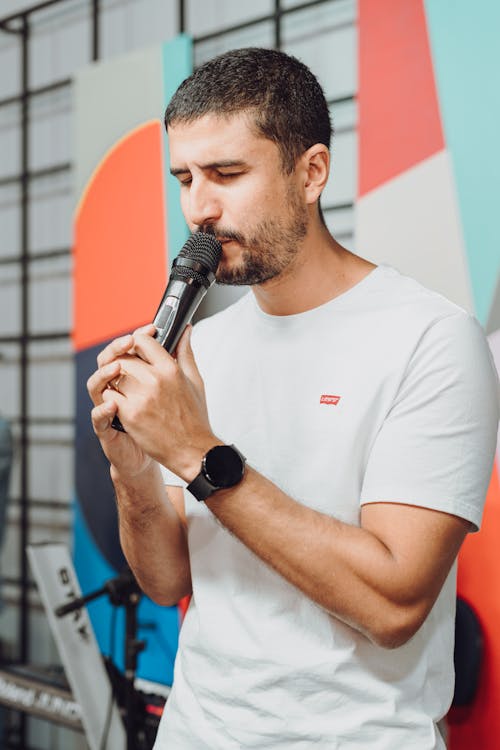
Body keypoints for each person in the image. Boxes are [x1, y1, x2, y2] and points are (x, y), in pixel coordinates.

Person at [87, 48, 499, 749]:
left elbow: (393, 603)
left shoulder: (431, 339)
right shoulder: (205, 348)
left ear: (311, 172)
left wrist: (195, 451)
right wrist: (132, 463)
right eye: (184, 178)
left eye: (227, 174)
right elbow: (165, 581)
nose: (199, 209)